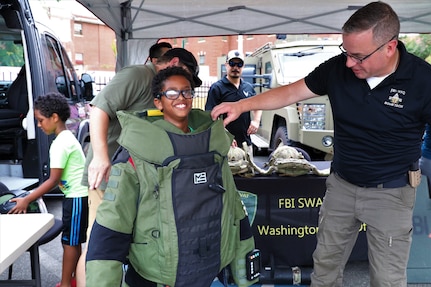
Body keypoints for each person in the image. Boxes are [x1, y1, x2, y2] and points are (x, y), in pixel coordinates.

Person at [211, 2, 431, 286]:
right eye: (346, 52)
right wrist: (241, 105)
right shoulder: (338, 69)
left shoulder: (422, 80)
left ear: (390, 47)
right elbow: (290, 92)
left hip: (390, 193)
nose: (350, 63)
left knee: (387, 279)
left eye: (359, 56)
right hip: (341, 186)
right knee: (324, 270)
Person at [85, 66, 256, 287]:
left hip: (206, 269)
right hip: (153, 277)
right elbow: (110, 230)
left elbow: (233, 208)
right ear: (158, 101)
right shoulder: (135, 153)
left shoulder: (213, 147)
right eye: (172, 93)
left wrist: (247, 273)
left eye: (186, 91)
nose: (181, 98)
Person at [76, 48, 202, 287]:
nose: (182, 88)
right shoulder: (137, 75)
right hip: (109, 177)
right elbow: (99, 109)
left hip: (139, 181)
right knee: (99, 247)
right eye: (183, 74)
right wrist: (101, 157)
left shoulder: (161, 91)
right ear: (174, 62)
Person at [9, 92, 88, 287]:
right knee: (72, 241)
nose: (38, 125)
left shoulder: (61, 144)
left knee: (70, 242)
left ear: (54, 117)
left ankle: (66, 283)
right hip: (75, 196)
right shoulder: (66, 137)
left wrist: (28, 198)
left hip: (77, 196)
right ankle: (72, 280)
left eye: (40, 120)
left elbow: (53, 180)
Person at [205, 50, 262, 160]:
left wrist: (256, 121)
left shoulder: (248, 87)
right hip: (225, 145)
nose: (235, 67)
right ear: (226, 65)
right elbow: (210, 117)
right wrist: (226, 136)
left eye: (239, 64)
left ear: (243, 66)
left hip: (246, 143)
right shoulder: (217, 88)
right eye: (232, 64)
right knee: (226, 176)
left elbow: (258, 105)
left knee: (249, 174)